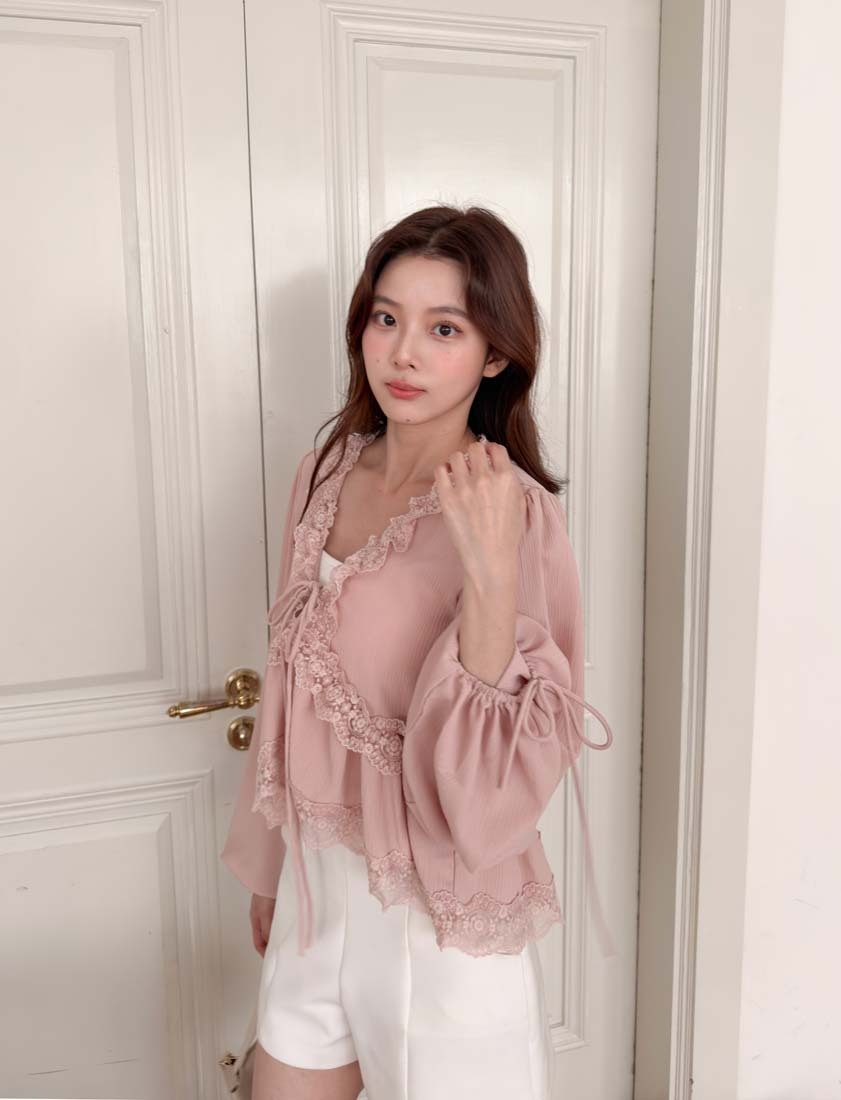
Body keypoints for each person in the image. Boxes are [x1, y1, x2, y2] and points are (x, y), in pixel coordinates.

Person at [220, 204, 615, 1100]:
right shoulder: (324, 473)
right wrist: (271, 871)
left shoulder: (515, 509)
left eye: (444, 329)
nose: (403, 354)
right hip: (317, 898)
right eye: (386, 318)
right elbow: (288, 689)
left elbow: (501, 785)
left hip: (440, 921)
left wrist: (490, 574)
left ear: (496, 354)